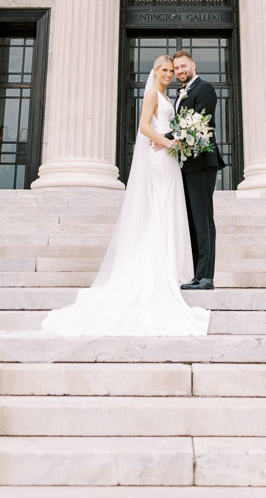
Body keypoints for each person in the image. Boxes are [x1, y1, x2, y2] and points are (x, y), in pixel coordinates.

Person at [39, 55, 210, 336]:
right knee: (161, 207)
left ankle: (172, 264)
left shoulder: (169, 96)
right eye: (164, 70)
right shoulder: (154, 94)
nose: (168, 73)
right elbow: (144, 128)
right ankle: (163, 267)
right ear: (154, 71)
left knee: (168, 209)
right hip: (160, 158)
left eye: (171, 70)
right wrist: (170, 142)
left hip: (168, 158)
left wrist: (175, 141)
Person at [171, 50, 225, 291]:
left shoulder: (205, 89)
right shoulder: (181, 93)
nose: (180, 71)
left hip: (202, 163)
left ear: (193, 65)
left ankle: (206, 277)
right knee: (192, 221)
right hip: (185, 165)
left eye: (183, 66)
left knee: (203, 220)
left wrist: (165, 137)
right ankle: (196, 273)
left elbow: (199, 123)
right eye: (177, 69)